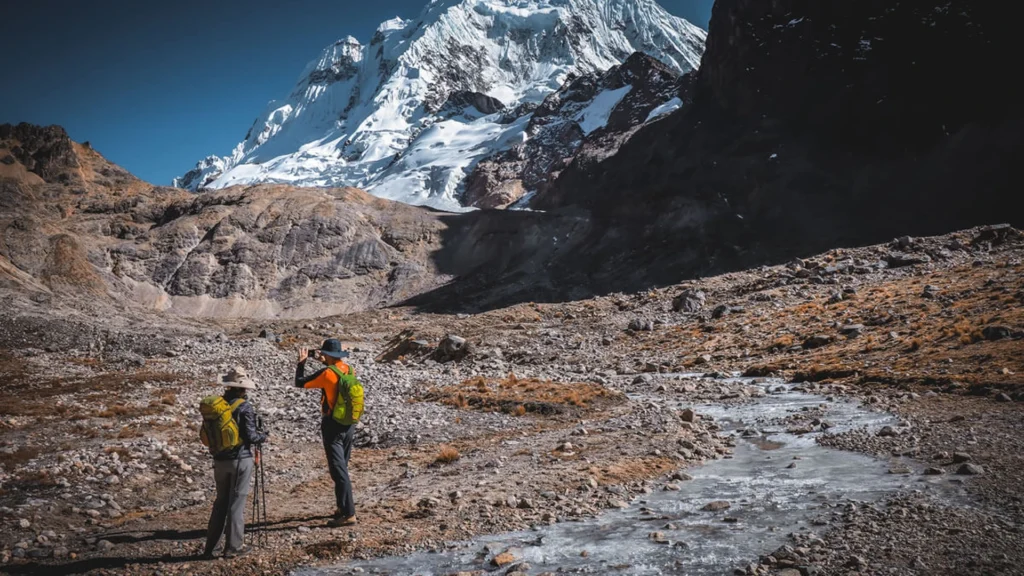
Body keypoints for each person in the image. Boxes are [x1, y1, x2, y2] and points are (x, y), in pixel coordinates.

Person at [203, 366, 268, 558]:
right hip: (240, 459)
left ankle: (211, 547)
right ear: (242, 389)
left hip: (219, 460)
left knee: (221, 502)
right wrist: (263, 436)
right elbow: (250, 435)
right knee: (236, 503)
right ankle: (233, 547)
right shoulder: (244, 407)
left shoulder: (218, 405)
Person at [295, 338, 357, 527]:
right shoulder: (349, 369)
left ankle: (348, 513)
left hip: (332, 425)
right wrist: (326, 361)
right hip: (349, 423)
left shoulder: (326, 374)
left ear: (327, 355)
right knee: (342, 466)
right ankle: (341, 507)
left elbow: (300, 383)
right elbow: (335, 371)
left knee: (338, 470)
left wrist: (301, 363)